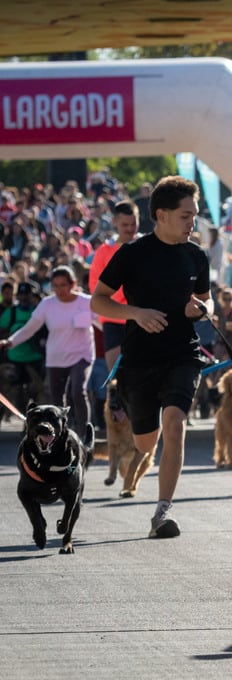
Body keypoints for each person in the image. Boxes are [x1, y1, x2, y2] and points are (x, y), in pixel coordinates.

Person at [91, 175, 213, 539]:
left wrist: (201, 310)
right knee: (145, 442)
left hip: (183, 353)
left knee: (175, 423)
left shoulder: (196, 255)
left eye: (194, 216)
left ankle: (162, 512)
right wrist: (136, 313)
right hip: (140, 360)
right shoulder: (131, 254)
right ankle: (145, 436)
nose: (193, 223)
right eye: (186, 216)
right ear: (161, 215)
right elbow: (98, 300)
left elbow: (205, 303)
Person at [0, 266, 94, 436]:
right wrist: (10, 342)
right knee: (56, 400)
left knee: (78, 391)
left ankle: (84, 437)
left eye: (63, 285)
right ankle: (60, 436)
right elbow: (30, 328)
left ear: (73, 283)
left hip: (81, 355)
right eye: (55, 285)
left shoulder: (86, 302)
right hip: (56, 357)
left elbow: (104, 322)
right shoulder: (47, 304)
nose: (59, 289)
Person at [88, 200, 140, 370]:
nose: (130, 228)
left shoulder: (147, 246)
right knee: (116, 375)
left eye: (134, 223)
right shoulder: (104, 251)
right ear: (115, 222)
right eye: (125, 224)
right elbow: (94, 286)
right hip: (114, 317)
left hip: (142, 317)